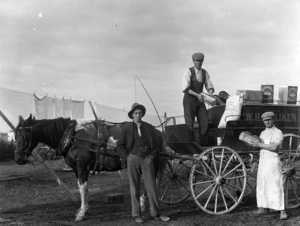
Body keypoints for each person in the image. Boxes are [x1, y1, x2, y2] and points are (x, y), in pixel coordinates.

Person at [116, 103, 170, 223]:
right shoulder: (126, 128)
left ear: (142, 114)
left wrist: (152, 156)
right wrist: (127, 157)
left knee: (151, 187)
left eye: (140, 113)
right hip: (133, 158)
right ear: (132, 115)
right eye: (136, 113)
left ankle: (156, 213)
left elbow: (157, 143)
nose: (138, 115)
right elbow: (119, 146)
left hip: (147, 159)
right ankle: (136, 214)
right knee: (134, 188)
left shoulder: (149, 127)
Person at [250, 111, 288, 220]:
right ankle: (262, 208)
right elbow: (260, 146)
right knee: (262, 184)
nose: (267, 122)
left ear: (273, 120)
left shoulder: (278, 132)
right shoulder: (262, 133)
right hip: (263, 161)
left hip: (273, 161)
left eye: (269, 120)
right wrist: (253, 145)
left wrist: (258, 144)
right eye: (265, 120)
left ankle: (282, 211)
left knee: (276, 185)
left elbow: (274, 147)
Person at [182, 52, 214, 145]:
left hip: (200, 101)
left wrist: (210, 94)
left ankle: (203, 147)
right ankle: (192, 147)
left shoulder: (205, 72)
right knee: (189, 124)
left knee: (204, 122)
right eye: (196, 61)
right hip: (189, 100)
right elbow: (185, 88)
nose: (198, 63)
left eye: (200, 61)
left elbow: (209, 85)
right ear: (193, 61)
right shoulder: (188, 72)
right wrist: (197, 95)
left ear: (202, 61)